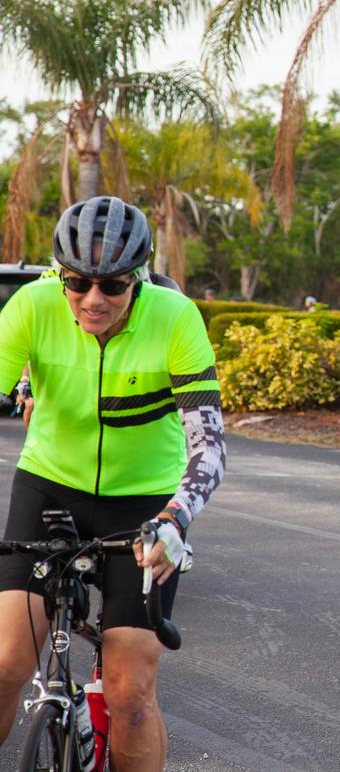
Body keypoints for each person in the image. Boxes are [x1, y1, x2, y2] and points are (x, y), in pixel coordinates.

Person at [0, 197, 224, 770]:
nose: (92, 300)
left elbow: (210, 447)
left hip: (145, 505)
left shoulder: (175, 317)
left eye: (113, 286)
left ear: (139, 278)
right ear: (58, 275)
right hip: (49, 487)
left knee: (129, 695)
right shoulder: (31, 306)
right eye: (77, 283)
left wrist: (175, 521)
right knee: (4, 665)